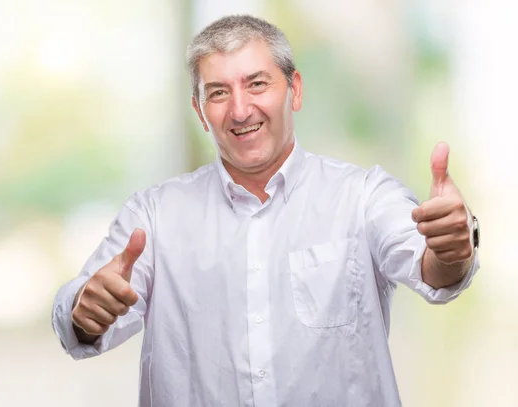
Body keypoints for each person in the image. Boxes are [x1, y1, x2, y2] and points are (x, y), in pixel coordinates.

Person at [52, 14, 480, 407]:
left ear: (293, 90)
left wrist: (452, 249)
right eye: (218, 93)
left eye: (257, 84)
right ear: (200, 111)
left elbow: (435, 272)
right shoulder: (154, 216)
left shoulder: (363, 196)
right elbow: (80, 318)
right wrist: (84, 313)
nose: (240, 110)